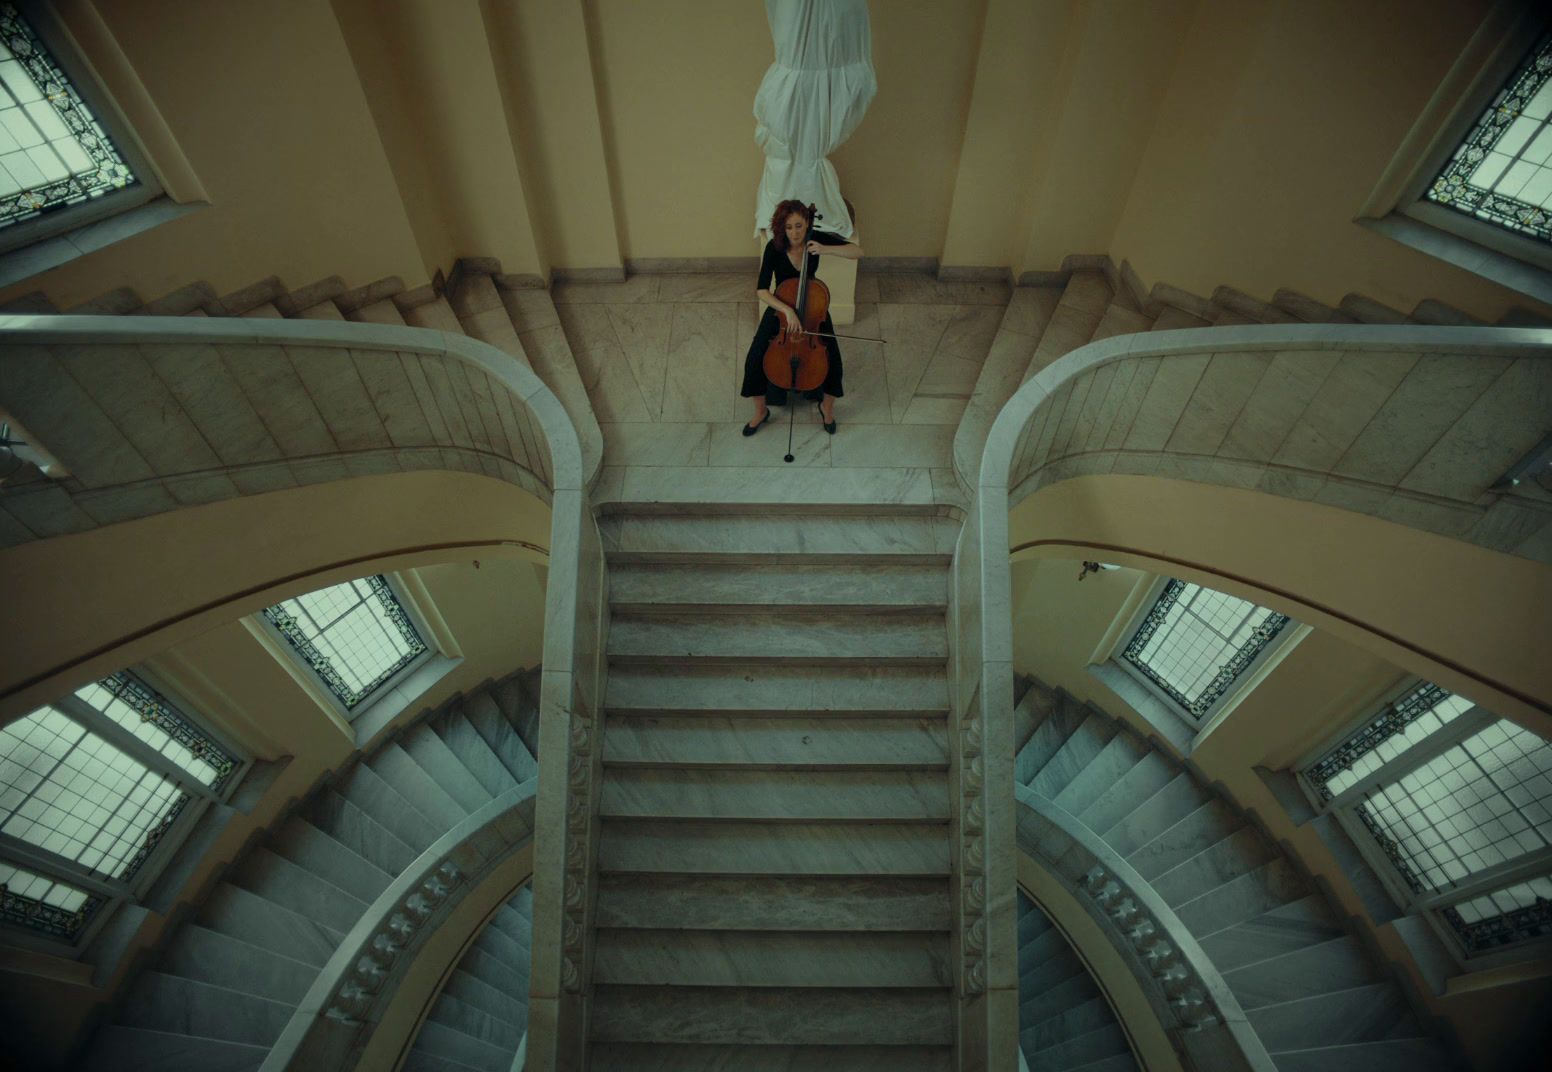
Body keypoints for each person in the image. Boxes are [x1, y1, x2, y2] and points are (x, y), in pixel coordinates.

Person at [740, 199, 863, 436]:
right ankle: (760, 411)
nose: (794, 233)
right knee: (754, 357)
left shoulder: (814, 237)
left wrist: (825, 249)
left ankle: (826, 408)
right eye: (788, 227)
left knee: (833, 359)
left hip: (813, 307)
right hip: (781, 307)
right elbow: (762, 290)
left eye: (798, 226)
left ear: (807, 223)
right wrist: (787, 311)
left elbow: (858, 252)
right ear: (781, 227)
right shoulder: (774, 247)